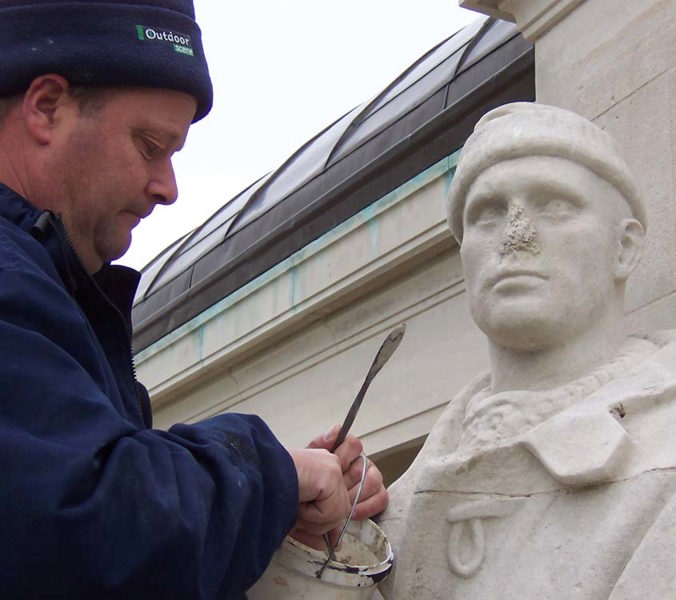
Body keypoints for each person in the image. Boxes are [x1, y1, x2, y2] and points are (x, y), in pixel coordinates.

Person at [0, 1, 387, 598]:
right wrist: (270, 475)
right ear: (46, 108)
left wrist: (278, 515)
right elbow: (83, 526)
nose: (168, 188)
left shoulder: (45, 290)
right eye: (150, 144)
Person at [378, 102, 676, 598]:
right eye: (488, 214)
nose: (516, 236)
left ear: (624, 249)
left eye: (555, 205)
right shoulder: (393, 502)